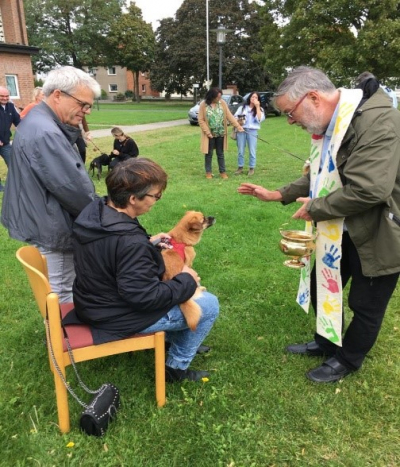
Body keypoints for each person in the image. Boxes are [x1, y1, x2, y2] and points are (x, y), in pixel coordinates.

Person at [238, 66, 400, 383]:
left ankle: (348, 359)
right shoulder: (337, 122)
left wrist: (317, 208)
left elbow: (370, 189)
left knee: (366, 304)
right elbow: (324, 171)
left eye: (290, 112)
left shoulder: (378, 122)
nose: (290, 120)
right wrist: (278, 194)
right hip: (341, 227)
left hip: (381, 229)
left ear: (313, 97)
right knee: (322, 284)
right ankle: (327, 341)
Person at [70, 157, 219, 382]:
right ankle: (176, 368)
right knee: (208, 304)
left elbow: (111, 254)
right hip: (114, 315)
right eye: (155, 195)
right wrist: (186, 280)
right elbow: (142, 297)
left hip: (92, 302)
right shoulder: (129, 241)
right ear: (132, 198)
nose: (156, 200)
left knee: (184, 295)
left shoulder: (94, 213)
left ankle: (171, 341)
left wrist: (149, 243)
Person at [1, 66, 100, 303]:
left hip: (40, 216)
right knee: (63, 291)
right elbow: (72, 189)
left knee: (59, 288)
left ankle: (59, 335)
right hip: (52, 225)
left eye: (89, 106)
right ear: (58, 95)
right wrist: (105, 215)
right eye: (82, 104)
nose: (86, 112)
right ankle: (65, 338)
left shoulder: (38, 120)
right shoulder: (46, 132)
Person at [198, 87, 243, 179]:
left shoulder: (222, 103)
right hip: (209, 134)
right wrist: (208, 132)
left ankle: (222, 172)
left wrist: (238, 126)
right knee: (209, 154)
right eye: (218, 97)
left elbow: (229, 116)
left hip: (221, 133)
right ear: (212, 96)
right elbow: (201, 120)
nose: (219, 98)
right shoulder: (203, 105)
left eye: (220, 96)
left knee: (220, 153)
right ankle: (208, 173)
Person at [234, 91, 265, 176]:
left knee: (252, 150)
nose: (253, 99)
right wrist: (239, 121)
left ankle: (251, 168)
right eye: (252, 97)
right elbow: (235, 117)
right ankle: (240, 167)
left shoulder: (260, 109)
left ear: (258, 100)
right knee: (240, 150)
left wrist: (257, 106)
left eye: (255, 97)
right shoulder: (243, 108)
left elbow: (259, 119)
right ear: (249, 98)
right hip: (242, 130)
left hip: (252, 131)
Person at [0, 86, 21, 191]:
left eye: (6, 96)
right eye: (2, 96)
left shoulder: (10, 107)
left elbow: (18, 122)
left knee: (13, 163)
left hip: (6, 142)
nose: (4, 98)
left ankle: (16, 184)